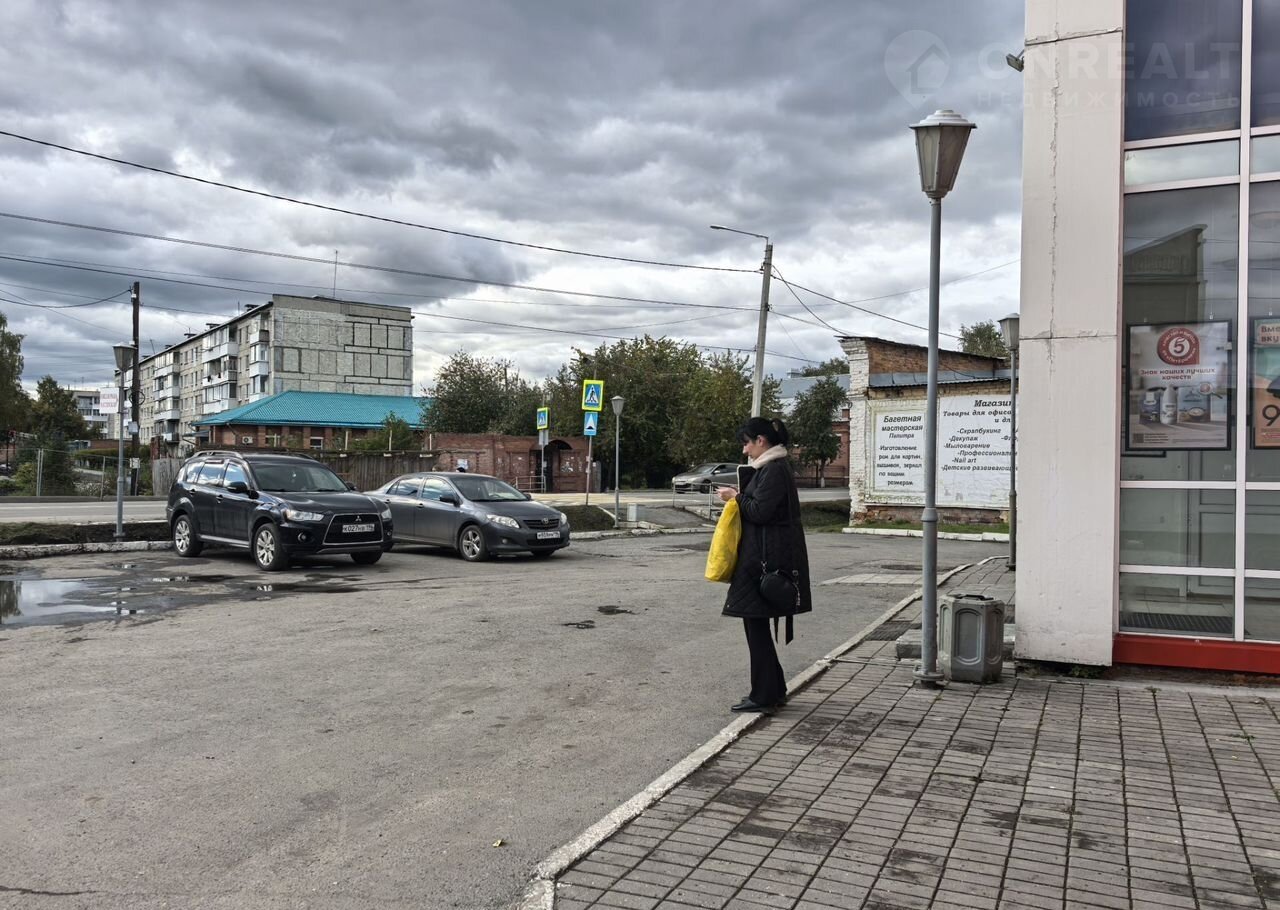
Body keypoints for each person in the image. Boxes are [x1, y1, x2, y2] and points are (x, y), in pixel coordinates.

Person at [716, 417, 812, 714]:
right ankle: (772, 690)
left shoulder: (773, 470)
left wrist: (735, 497)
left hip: (765, 562)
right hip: (763, 557)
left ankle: (764, 696)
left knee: (756, 627)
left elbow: (760, 511)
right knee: (755, 626)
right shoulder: (770, 469)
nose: (744, 450)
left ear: (761, 440)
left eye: (746, 443)